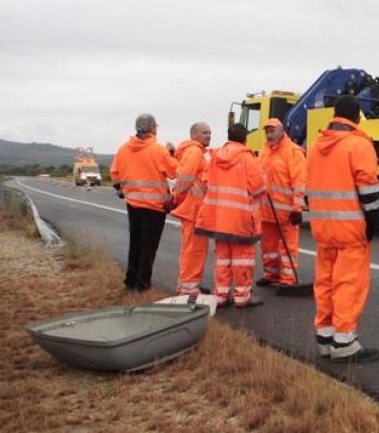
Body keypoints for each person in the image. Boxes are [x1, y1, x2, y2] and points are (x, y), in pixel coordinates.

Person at [307, 95, 379, 361]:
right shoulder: (358, 145)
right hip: (350, 228)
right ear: (356, 117)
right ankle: (344, 343)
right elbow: (369, 191)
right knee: (348, 283)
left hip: (322, 227)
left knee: (325, 282)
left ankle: (325, 337)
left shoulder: (316, 146)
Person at [195, 123, 268, 308]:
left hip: (218, 218)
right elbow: (259, 187)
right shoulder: (247, 158)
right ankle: (242, 297)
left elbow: (205, 181)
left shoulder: (215, 157)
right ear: (245, 139)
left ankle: (221, 295)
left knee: (222, 258)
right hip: (241, 218)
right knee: (243, 258)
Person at [110, 113, 178, 292]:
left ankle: (130, 280)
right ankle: (143, 285)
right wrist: (173, 153)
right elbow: (175, 171)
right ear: (152, 128)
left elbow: (115, 173)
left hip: (132, 204)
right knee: (149, 248)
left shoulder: (123, 149)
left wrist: (121, 190)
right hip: (154, 207)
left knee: (135, 244)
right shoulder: (158, 150)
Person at [258, 118, 308, 287]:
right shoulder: (265, 151)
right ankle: (270, 274)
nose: (269, 135)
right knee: (268, 247)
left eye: (272, 131)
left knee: (288, 246)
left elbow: (299, 181)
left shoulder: (293, 152)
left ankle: (287, 278)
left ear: (281, 131)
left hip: (287, 211)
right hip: (266, 210)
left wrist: (297, 208)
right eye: (267, 132)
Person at [171, 121, 212, 296]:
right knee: (194, 251)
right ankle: (189, 289)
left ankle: (188, 285)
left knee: (192, 250)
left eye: (209, 132)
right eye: (204, 133)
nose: (209, 136)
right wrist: (176, 198)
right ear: (194, 135)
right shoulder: (195, 152)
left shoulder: (194, 151)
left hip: (194, 209)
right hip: (194, 210)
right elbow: (185, 179)